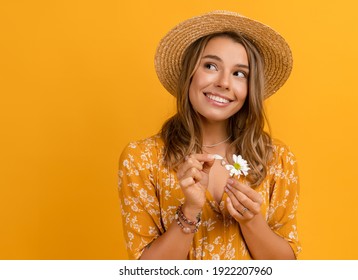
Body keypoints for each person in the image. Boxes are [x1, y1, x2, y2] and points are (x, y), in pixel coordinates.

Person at [118, 10, 301, 260]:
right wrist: (190, 210)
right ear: (190, 74)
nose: (224, 82)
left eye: (239, 73)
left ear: (250, 89)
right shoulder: (141, 159)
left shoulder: (276, 159)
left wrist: (251, 222)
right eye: (211, 66)